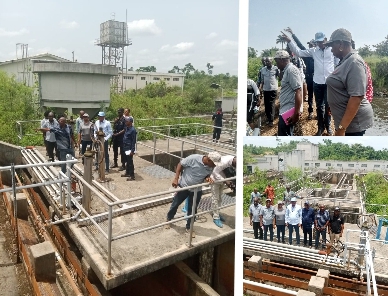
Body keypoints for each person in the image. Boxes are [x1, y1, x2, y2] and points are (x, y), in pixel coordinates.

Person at [283, 30, 340, 136]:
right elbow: (299, 52)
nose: (320, 44)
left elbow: (337, 63)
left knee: (328, 106)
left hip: (329, 83)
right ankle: (320, 128)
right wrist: (290, 41)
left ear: (325, 40)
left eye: (321, 41)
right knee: (319, 106)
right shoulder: (313, 51)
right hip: (317, 82)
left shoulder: (332, 50)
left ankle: (328, 127)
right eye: (318, 42)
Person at [325, 28, 374, 136]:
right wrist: (332, 105)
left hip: (354, 124)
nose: (331, 50)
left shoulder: (354, 62)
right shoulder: (345, 61)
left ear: (341, 44)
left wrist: (341, 129)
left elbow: (356, 97)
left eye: (332, 46)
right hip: (346, 122)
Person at [166, 152, 221, 238]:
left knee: (193, 210)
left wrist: (207, 178)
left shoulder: (211, 166)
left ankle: (189, 228)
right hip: (184, 187)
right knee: (175, 204)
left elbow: (206, 174)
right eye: (213, 164)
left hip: (196, 190)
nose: (214, 166)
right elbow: (180, 164)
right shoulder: (194, 158)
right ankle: (168, 219)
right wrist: (176, 178)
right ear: (208, 159)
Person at [284, 27, 315, 118]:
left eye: (311, 44)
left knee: (320, 98)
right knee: (310, 96)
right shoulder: (306, 54)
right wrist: (293, 35)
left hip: (318, 78)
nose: (310, 46)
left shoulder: (320, 55)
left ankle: (321, 114)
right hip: (309, 77)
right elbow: (300, 45)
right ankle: (310, 111)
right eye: (309, 44)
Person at [273, 50, 303, 136]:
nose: (277, 65)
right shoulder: (287, 70)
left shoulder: (291, 70)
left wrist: (296, 113)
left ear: (282, 60)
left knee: (285, 137)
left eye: (277, 62)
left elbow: (298, 90)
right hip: (285, 109)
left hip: (289, 110)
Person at [210, 155, 236, 228]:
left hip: (223, 181)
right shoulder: (224, 162)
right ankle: (215, 217)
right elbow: (214, 171)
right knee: (215, 198)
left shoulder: (233, 162)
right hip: (215, 180)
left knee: (220, 198)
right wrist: (225, 181)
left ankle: (216, 212)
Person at [259, 57, 279, 127]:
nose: (267, 63)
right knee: (266, 105)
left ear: (272, 61)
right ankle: (268, 118)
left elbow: (279, 77)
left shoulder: (276, 69)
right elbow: (262, 80)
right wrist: (260, 88)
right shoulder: (263, 70)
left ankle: (271, 120)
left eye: (268, 61)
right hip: (266, 89)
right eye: (266, 61)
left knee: (271, 104)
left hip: (273, 89)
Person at [121, 117, 137, 181]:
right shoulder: (127, 128)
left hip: (129, 148)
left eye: (127, 121)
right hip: (125, 147)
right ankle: (127, 173)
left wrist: (132, 150)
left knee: (130, 162)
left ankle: (132, 176)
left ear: (130, 122)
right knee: (127, 161)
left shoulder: (133, 130)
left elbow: (133, 141)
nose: (126, 122)